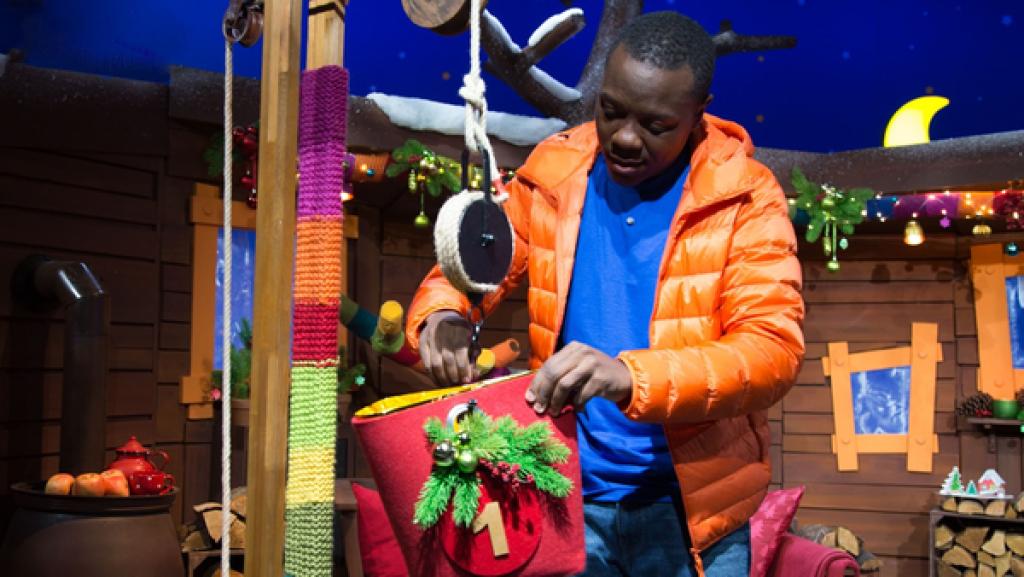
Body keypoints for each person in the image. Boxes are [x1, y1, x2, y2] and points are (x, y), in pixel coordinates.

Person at [405, 11, 804, 577]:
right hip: (565, 498)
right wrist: (446, 308)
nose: (623, 136)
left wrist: (630, 376)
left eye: (655, 124)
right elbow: (481, 254)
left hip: (692, 519)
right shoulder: (556, 167)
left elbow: (772, 354)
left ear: (699, 112)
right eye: (610, 110)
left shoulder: (747, 198)